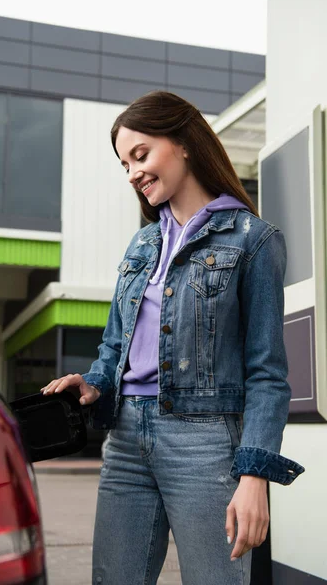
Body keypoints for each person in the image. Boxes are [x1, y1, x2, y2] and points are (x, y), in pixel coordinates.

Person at [41, 91, 305, 585]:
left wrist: (254, 477)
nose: (132, 174)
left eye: (140, 155)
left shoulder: (253, 239)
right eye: (124, 163)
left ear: (184, 142)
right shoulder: (142, 243)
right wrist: (95, 382)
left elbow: (267, 373)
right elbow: (115, 347)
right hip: (123, 440)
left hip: (205, 443)